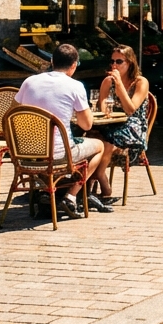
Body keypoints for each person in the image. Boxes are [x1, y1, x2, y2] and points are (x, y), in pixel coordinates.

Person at [14, 44, 110, 216]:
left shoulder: (29, 82)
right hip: (58, 154)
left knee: (53, 143)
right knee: (99, 146)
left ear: (51, 61)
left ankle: (45, 192)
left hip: (27, 153)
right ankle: (71, 196)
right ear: (74, 65)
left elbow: (14, 112)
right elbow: (86, 125)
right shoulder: (75, 86)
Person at [92, 47, 150, 205]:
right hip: (112, 124)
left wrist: (119, 86)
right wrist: (106, 111)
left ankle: (101, 184)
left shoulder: (140, 82)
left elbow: (131, 109)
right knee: (90, 137)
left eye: (119, 61)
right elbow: (103, 108)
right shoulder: (107, 81)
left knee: (107, 143)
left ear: (130, 63)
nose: (114, 65)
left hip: (133, 126)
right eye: (112, 61)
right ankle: (89, 183)